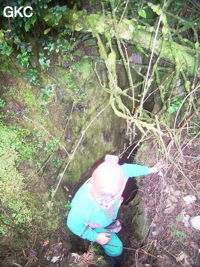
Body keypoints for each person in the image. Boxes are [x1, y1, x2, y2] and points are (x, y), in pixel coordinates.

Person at [67, 154, 162, 266]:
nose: (106, 204)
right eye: (101, 200)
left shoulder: (119, 176)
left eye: (112, 198)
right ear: (93, 188)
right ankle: (109, 259)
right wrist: (96, 237)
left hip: (108, 219)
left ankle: (111, 227)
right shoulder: (81, 207)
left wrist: (150, 170)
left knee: (115, 236)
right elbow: (73, 225)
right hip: (96, 226)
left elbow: (128, 169)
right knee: (117, 249)